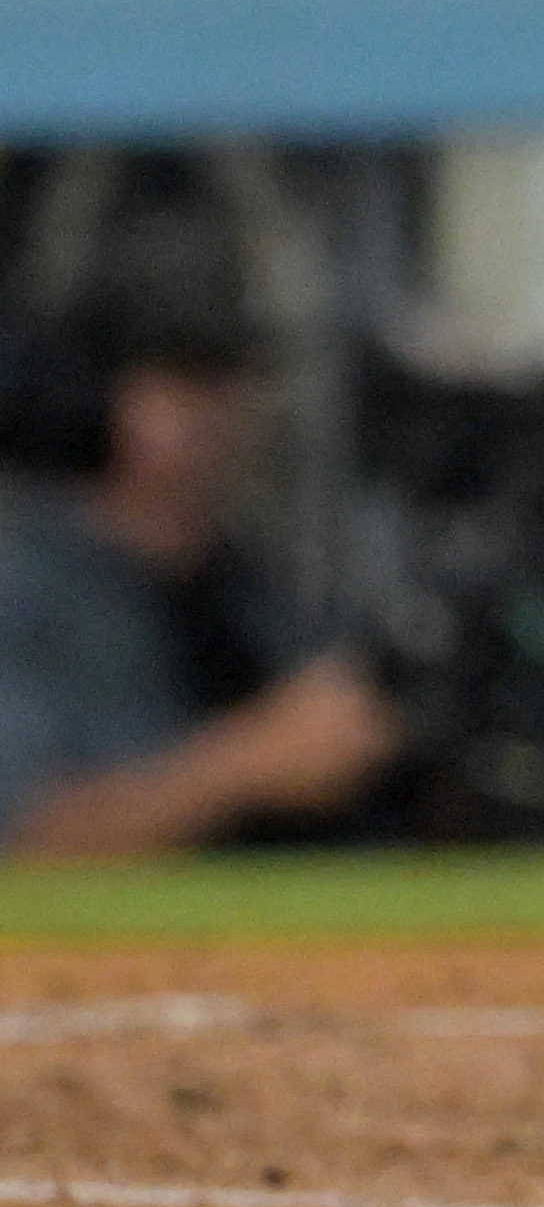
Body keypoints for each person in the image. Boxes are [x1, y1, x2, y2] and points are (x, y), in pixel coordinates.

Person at [0, 288, 402, 856]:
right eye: (180, 386)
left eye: (229, 385)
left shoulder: (250, 589)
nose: (217, 416)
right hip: (112, 941)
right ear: (92, 404)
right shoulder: (25, 591)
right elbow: (23, 840)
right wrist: (248, 761)